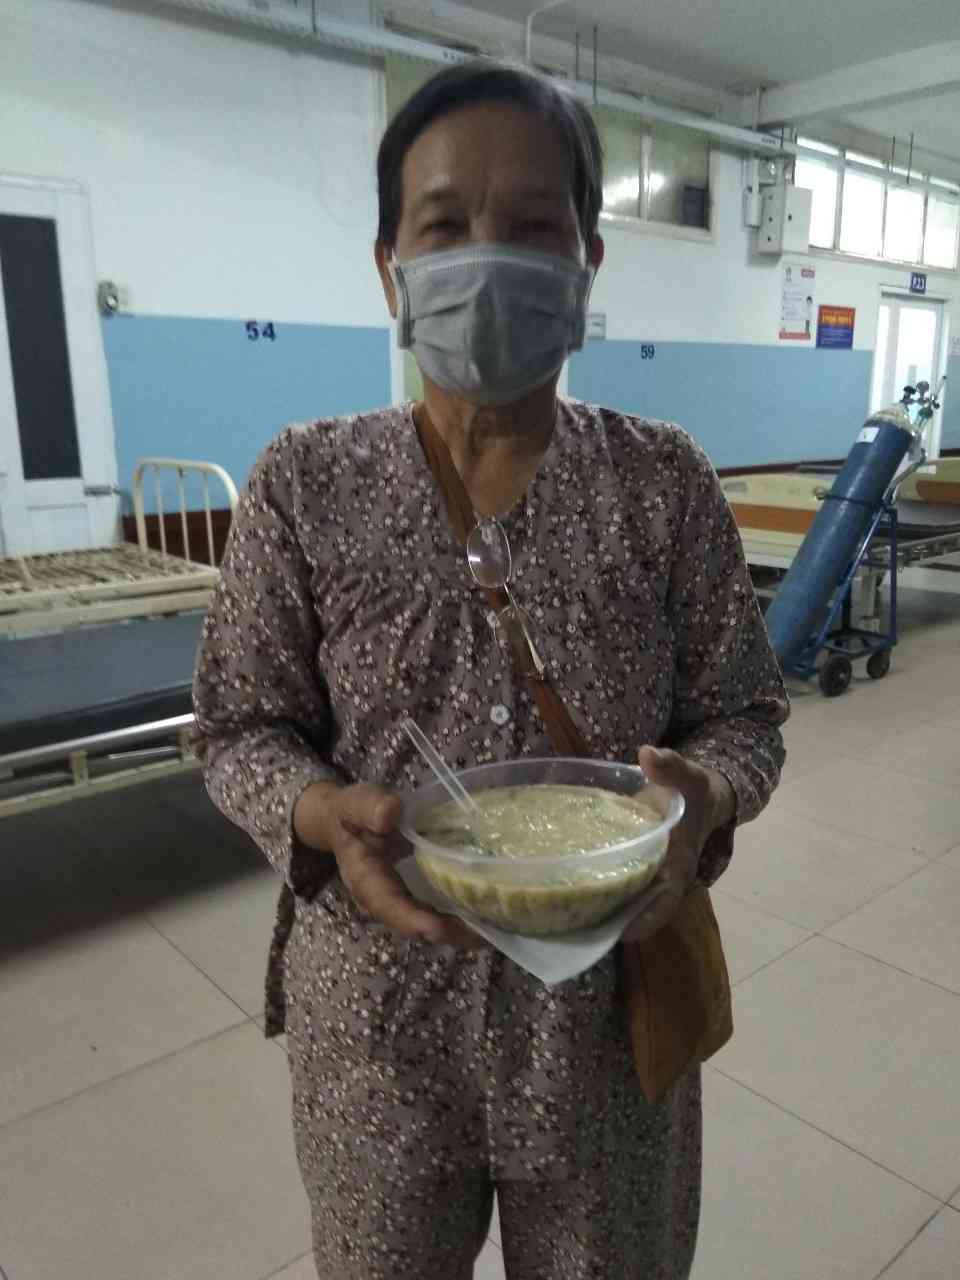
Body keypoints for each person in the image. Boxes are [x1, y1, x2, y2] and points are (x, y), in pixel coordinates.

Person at [193, 60, 788, 1280]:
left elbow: (745, 715)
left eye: (532, 225)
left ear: (586, 261)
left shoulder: (663, 482)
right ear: (390, 268)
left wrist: (704, 799)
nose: (489, 255)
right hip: (378, 1031)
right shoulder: (305, 482)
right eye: (445, 224)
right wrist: (320, 808)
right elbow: (238, 724)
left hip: (608, 1029)